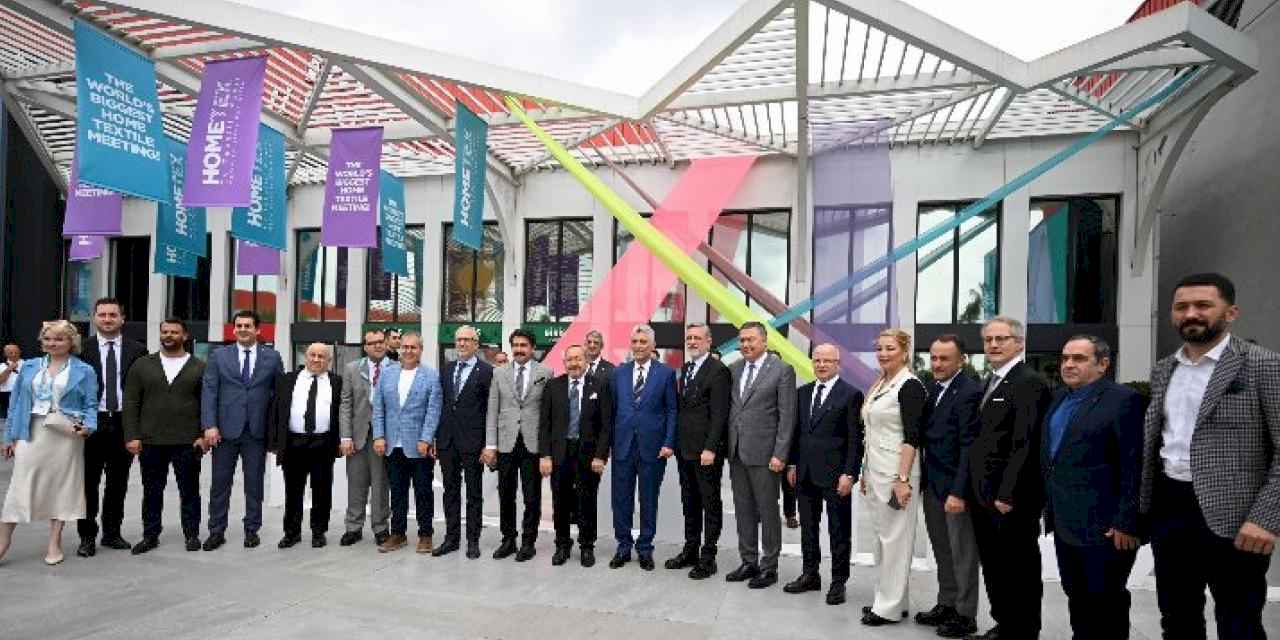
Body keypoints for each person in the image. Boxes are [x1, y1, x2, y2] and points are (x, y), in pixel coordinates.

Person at [1141, 273, 1280, 640]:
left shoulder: (1264, 365)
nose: (1191, 314)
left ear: (1231, 312)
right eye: (1181, 307)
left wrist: (1265, 519)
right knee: (1177, 617)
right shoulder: (1164, 369)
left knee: (1239, 622)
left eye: (1203, 305)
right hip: (1170, 509)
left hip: (1236, 517)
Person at [1044, 335, 1145, 640]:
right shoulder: (1060, 398)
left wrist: (1127, 521)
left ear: (1103, 365)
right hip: (1066, 521)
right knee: (1077, 595)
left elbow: (1135, 464)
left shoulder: (1124, 400)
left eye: (1078, 358)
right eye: (1065, 358)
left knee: (1106, 601)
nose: (1068, 364)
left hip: (1107, 527)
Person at [968, 316, 1053, 639]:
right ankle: (1004, 624)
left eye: (1001, 339)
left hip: (1010, 499)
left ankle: (1023, 630)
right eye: (988, 339)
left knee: (1019, 568)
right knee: (994, 565)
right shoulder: (990, 381)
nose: (993, 345)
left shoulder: (1028, 382)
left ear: (1019, 343)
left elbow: (1025, 442)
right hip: (984, 495)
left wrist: (1008, 493)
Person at [0, 320, 98, 566]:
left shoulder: (84, 370)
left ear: (71, 342)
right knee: (20, 485)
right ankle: (3, 541)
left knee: (61, 487)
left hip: (65, 434)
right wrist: (9, 437)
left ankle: (55, 542)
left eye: (59, 339)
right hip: (31, 430)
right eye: (47, 339)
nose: (52, 343)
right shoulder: (29, 366)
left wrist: (88, 426)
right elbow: (15, 404)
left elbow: (91, 405)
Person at [784, 344, 864, 606]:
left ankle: (838, 582)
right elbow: (797, 433)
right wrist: (792, 464)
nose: (821, 365)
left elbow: (855, 439)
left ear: (838, 364)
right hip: (805, 472)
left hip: (836, 475)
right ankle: (810, 575)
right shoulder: (803, 393)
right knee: (808, 528)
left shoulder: (851, 394)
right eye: (817, 360)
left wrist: (849, 474)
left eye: (827, 361)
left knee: (839, 530)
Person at [914, 335, 983, 638]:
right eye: (934, 358)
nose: (937, 364)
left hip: (956, 490)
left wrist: (958, 492)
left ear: (961, 360)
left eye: (944, 358)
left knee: (962, 555)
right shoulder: (932, 388)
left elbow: (969, 446)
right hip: (933, 485)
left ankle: (965, 615)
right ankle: (947, 603)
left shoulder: (969, 391)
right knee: (942, 550)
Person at [858, 329, 928, 626]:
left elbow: (912, 437)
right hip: (876, 471)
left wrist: (902, 479)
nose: (883, 354)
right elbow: (871, 432)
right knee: (884, 541)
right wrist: (864, 470)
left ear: (904, 351)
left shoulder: (910, 386)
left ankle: (887, 608)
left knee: (896, 543)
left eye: (890, 348)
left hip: (896, 474)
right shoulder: (881, 382)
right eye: (880, 349)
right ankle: (892, 601)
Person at [200, 309, 284, 551]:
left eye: (248, 326)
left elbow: (278, 395)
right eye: (239, 326)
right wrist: (210, 425)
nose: (243, 329)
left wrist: (275, 432)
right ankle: (216, 531)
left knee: (254, 484)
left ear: (258, 330)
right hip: (224, 431)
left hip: (256, 431)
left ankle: (252, 530)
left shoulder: (272, 357)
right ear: (233, 329)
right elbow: (210, 391)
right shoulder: (219, 356)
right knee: (220, 484)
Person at [123, 318, 207, 555]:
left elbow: (207, 404)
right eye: (165, 332)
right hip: (150, 440)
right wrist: (132, 435)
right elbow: (131, 402)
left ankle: (191, 534)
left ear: (185, 336)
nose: (169, 335)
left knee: (189, 491)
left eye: (174, 332)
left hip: (187, 441)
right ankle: (150, 536)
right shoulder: (142, 365)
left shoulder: (199, 366)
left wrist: (202, 435)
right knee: (151, 491)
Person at [725, 321, 796, 589]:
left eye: (751, 340)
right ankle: (749, 561)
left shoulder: (782, 370)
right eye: (742, 340)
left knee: (767, 511)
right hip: (737, 452)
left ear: (764, 341)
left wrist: (780, 454)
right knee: (743, 510)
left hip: (766, 455)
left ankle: (769, 567)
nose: (745, 345)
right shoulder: (734, 369)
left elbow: (787, 417)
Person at [77, 297, 146, 558]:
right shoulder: (80, 349)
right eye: (103, 315)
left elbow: (143, 391)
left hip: (122, 423)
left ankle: (112, 533)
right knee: (88, 484)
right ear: (95, 318)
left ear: (122, 319)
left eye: (113, 315)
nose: (107, 319)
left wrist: (138, 430)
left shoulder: (138, 350)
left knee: (118, 483)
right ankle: (87, 537)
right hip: (90, 424)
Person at [607, 324, 676, 571]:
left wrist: (668, 442)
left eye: (643, 342)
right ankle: (623, 546)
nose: (638, 346)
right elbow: (611, 411)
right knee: (620, 500)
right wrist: (609, 444)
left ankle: (645, 548)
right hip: (623, 446)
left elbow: (672, 410)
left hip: (653, 448)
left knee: (648, 500)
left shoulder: (666, 374)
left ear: (653, 346)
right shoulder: (618, 373)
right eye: (635, 341)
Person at [666, 323, 732, 579]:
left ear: (708, 341)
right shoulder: (686, 369)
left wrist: (711, 448)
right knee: (689, 502)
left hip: (706, 452)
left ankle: (708, 557)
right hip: (685, 449)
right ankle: (690, 550)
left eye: (697, 338)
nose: (692, 342)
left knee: (709, 503)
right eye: (689, 337)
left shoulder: (719, 371)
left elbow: (720, 414)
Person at [539, 344, 612, 567]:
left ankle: (587, 546)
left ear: (586, 361)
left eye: (578, 359)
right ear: (564, 363)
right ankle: (562, 544)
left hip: (588, 455)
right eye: (569, 359)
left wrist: (600, 456)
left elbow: (606, 426)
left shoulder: (599, 385)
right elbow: (545, 425)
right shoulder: (553, 386)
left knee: (586, 501)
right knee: (560, 501)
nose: (574, 363)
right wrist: (545, 456)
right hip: (560, 453)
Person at [485, 329, 552, 561]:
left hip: (533, 443)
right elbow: (492, 410)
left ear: (532, 348)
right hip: (506, 443)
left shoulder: (546, 372)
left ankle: (528, 542)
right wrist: (491, 445)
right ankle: (508, 540)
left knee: (532, 497)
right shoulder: (499, 373)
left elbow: (548, 413)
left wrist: (547, 450)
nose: (519, 349)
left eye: (524, 345)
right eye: (515, 345)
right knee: (506, 495)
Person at [371, 332, 441, 554]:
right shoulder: (387, 374)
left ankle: (425, 534)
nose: (408, 351)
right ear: (399, 348)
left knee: (423, 492)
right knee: (397, 492)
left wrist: (426, 438)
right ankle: (398, 534)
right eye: (405, 347)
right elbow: (378, 408)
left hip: (419, 446)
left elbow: (433, 410)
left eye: (413, 347)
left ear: (421, 350)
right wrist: (379, 436)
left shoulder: (431, 375)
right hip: (393, 445)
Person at [268, 343, 343, 549]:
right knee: (293, 491)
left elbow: (341, 413)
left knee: (322, 491)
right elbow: (276, 410)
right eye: (313, 355)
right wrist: (275, 441)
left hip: (323, 444)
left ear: (329, 361)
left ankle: (319, 532)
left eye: (322, 356)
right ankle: (291, 533)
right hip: (294, 443)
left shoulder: (337, 382)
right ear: (306, 357)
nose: (316, 359)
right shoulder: (288, 379)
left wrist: (341, 441)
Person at [434, 325, 493, 559]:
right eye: (459, 340)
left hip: (473, 442)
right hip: (447, 441)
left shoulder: (487, 371)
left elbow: (490, 410)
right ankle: (451, 538)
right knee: (450, 491)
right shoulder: (447, 369)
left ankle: (473, 540)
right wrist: (436, 437)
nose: (462, 343)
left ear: (476, 344)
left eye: (467, 340)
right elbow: (442, 405)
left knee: (474, 494)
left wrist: (488, 444)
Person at [338, 329, 392, 547]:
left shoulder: (396, 368)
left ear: (386, 344)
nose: (377, 345)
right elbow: (346, 403)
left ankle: (380, 527)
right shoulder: (352, 368)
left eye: (381, 342)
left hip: (384, 437)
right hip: (358, 435)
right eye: (372, 343)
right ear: (365, 347)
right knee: (356, 483)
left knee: (380, 484)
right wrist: (345, 436)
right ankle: (353, 527)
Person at [0, 341, 21, 430]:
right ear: (5, 354)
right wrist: (9, 369)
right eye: (10, 352)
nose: (14, 354)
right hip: (6, 396)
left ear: (20, 352)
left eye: (16, 352)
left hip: (22, 394)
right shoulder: (1, 366)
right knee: (8, 421)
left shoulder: (28, 364)